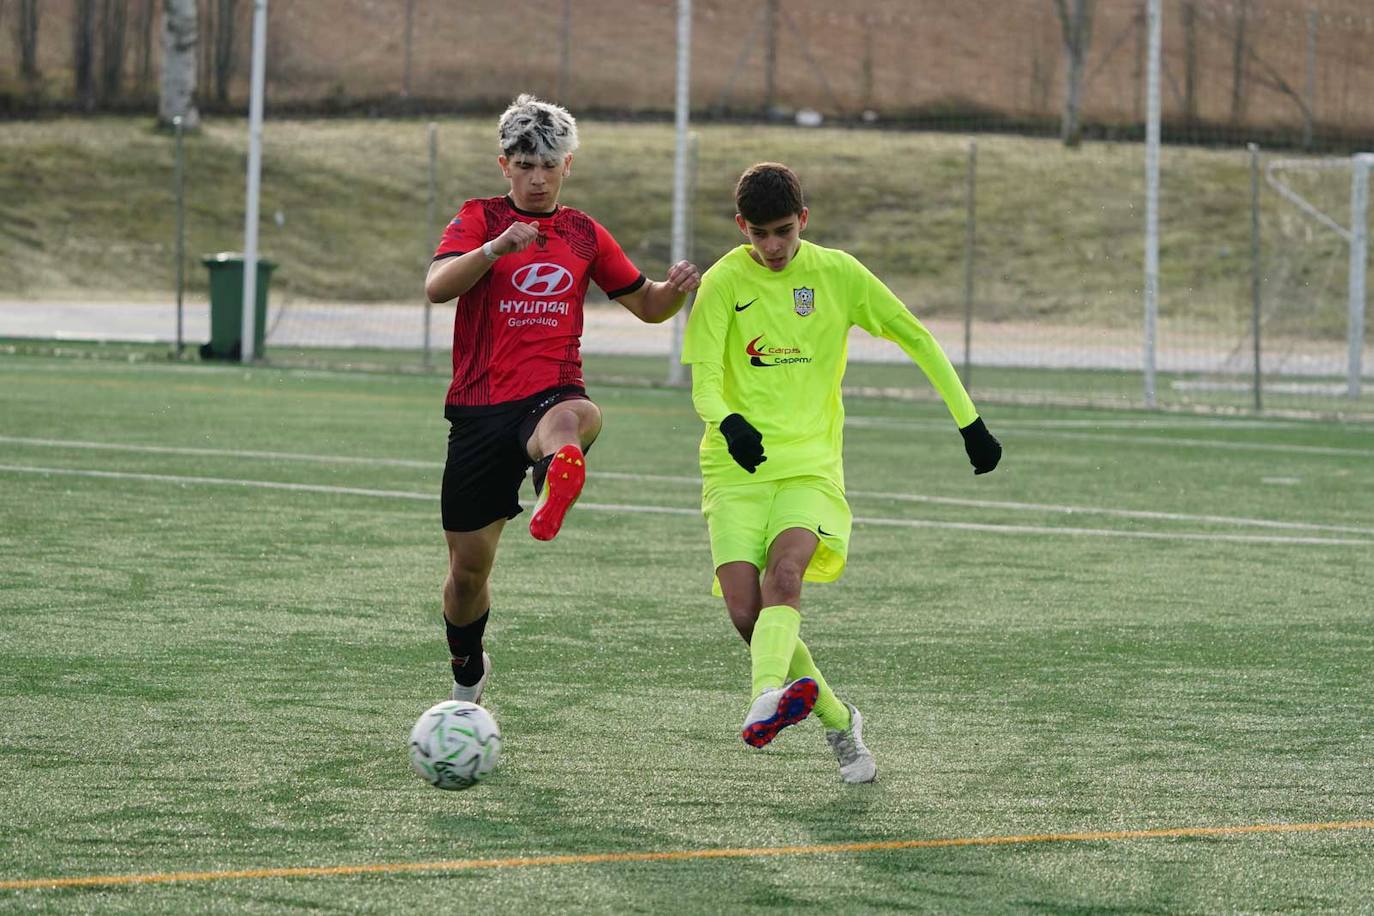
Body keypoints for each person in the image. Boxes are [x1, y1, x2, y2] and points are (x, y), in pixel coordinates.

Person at [680, 162, 1001, 783]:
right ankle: (837, 718)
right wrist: (729, 422)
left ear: (804, 219)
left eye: (783, 232)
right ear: (740, 227)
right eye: (759, 235)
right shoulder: (722, 282)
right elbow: (704, 387)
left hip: (810, 466)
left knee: (787, 575)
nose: (772, 247)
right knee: (748, 615)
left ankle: (764, 698)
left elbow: (915, 336)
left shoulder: (839, 274)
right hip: (735, 470)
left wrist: (971, 422)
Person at [425, 94, 701, 704]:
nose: (538, 176)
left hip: (550, 393)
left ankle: (559, 474)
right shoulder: (479, 219)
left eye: (550, 164)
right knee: (468, 574)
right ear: (505, 165)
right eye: (525, 164)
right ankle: (467, 668)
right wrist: (496, 249)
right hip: (477, 412)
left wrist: (676, 290)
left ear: (568, 165)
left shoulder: (583, 233)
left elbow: (648, 306)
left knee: (577, 415)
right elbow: (437, 286)